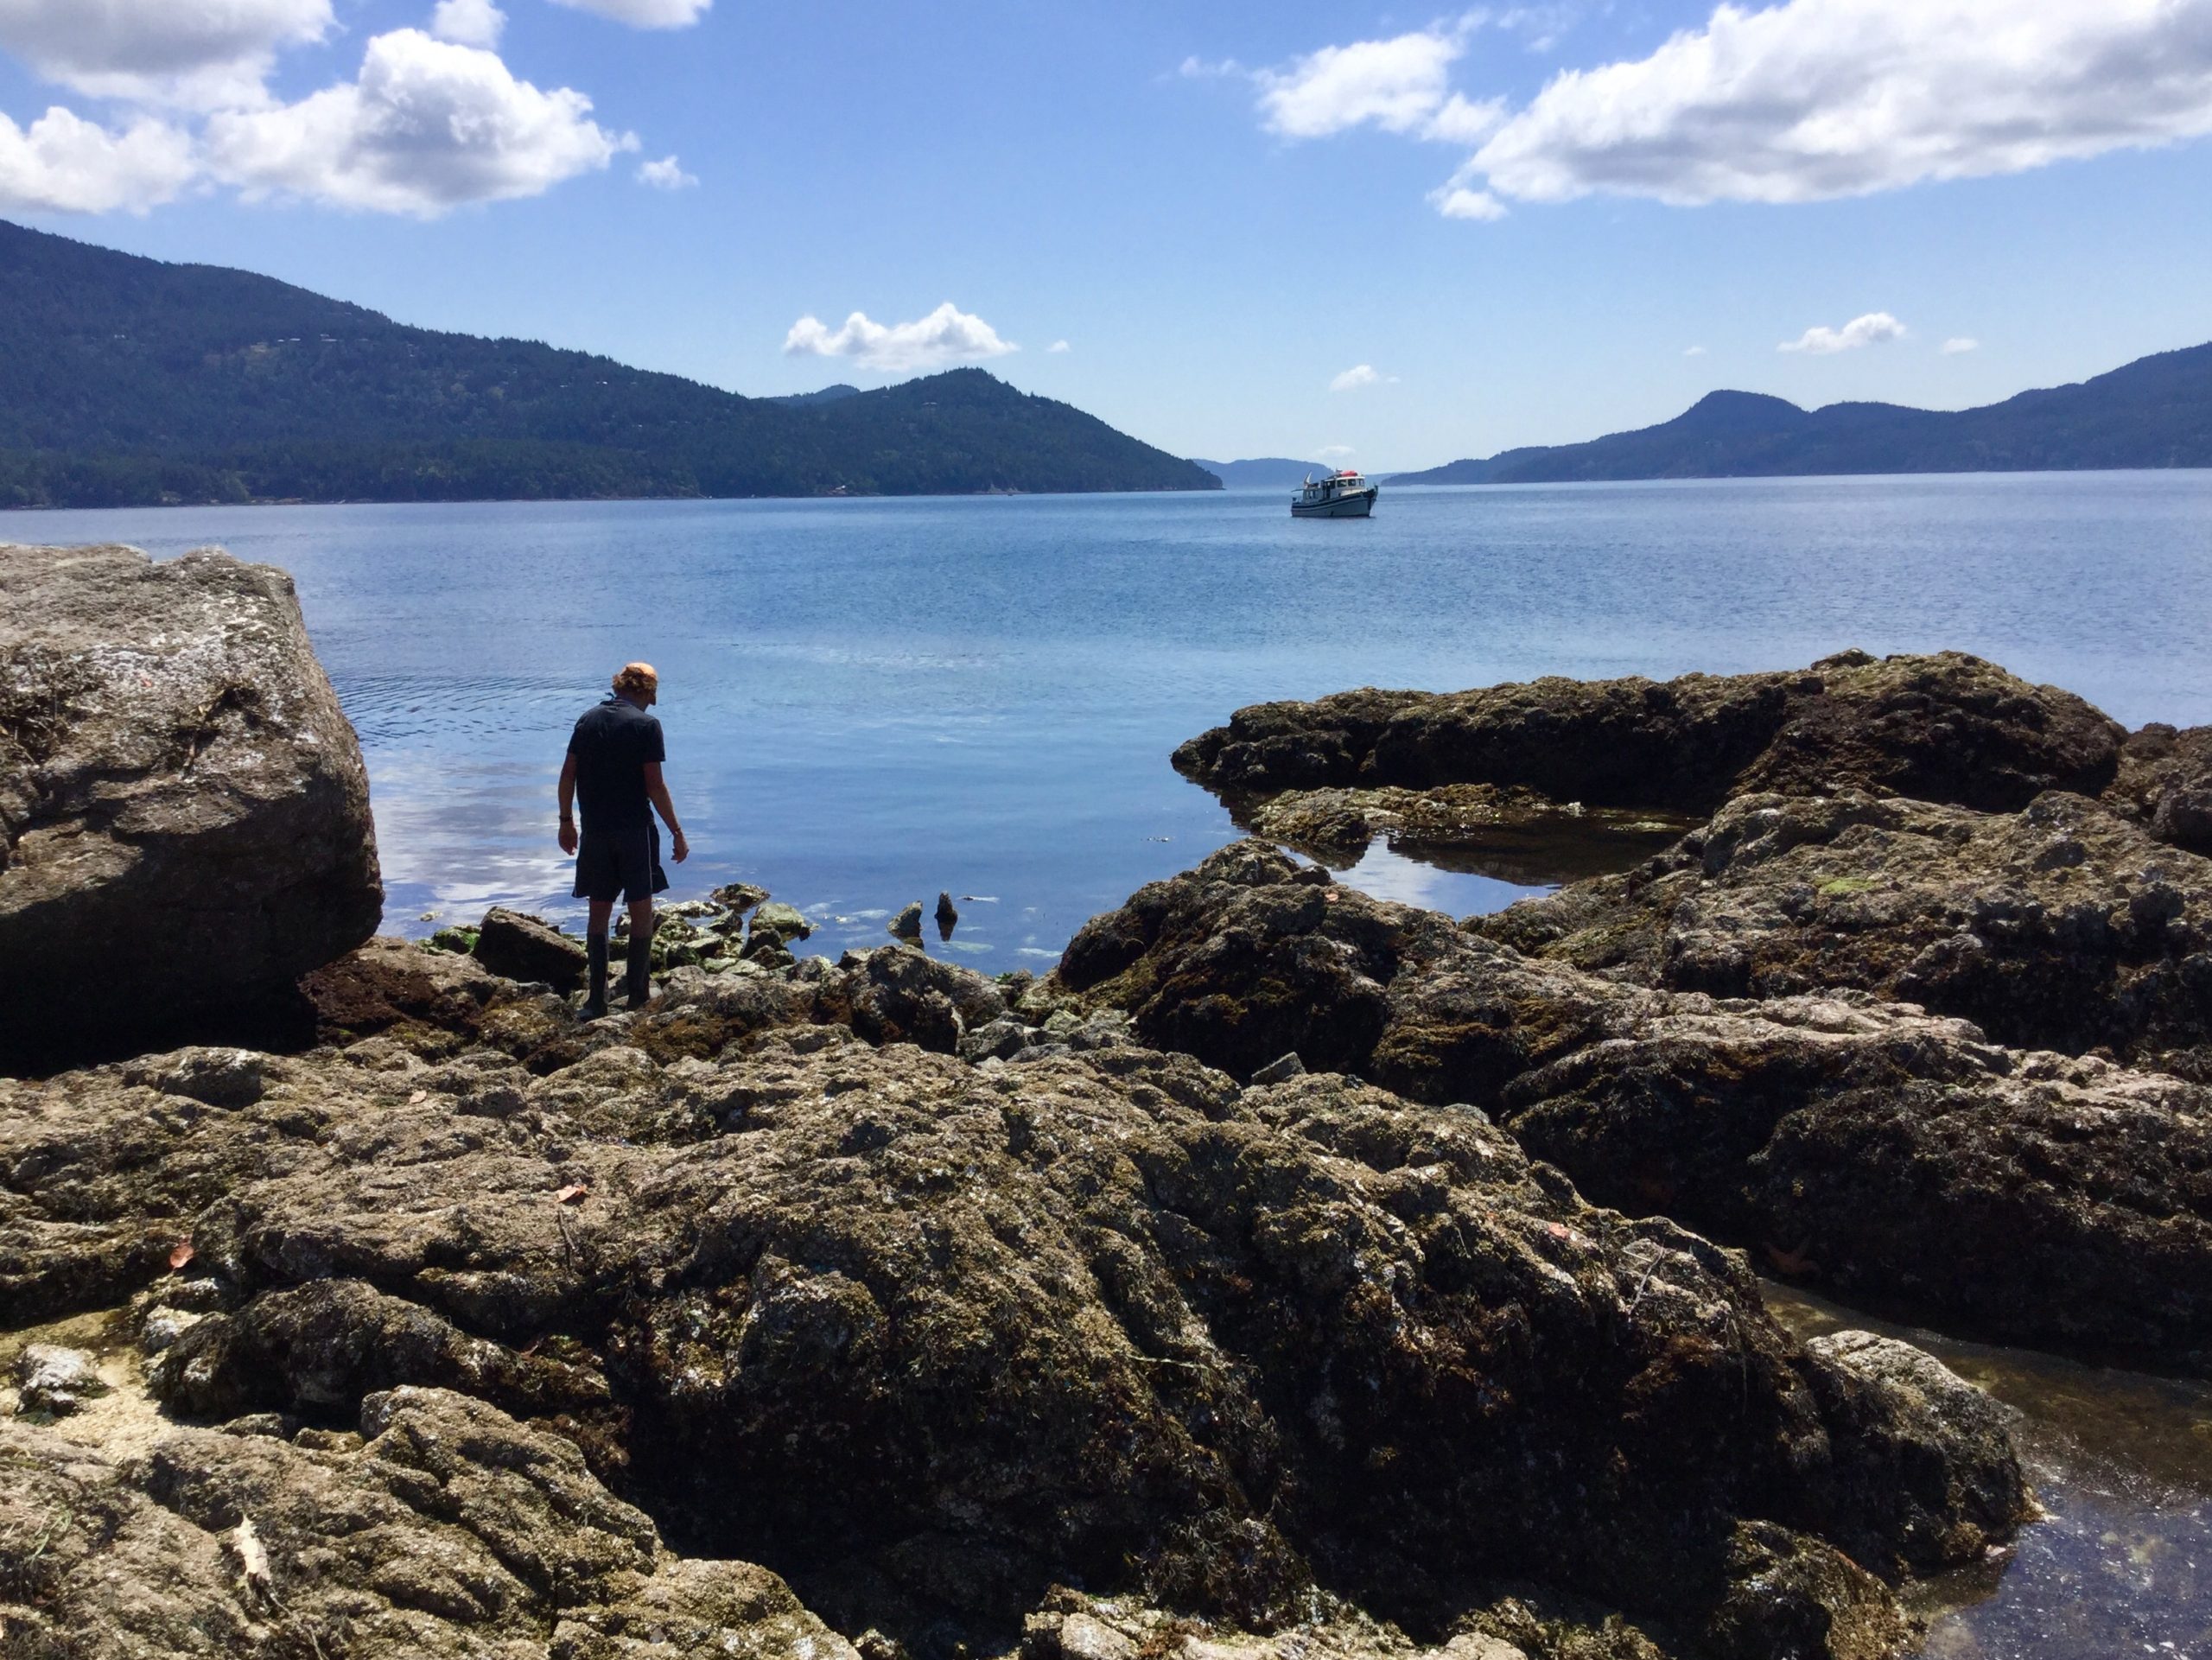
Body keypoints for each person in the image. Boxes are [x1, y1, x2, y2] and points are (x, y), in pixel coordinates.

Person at [557, 661, 689, 1015]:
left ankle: (596, 1001)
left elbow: (568, 774)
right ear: (646, 691)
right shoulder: (647, 726)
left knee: (598, 912)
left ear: (619, 686)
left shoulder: (588, 720)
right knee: (641, 911)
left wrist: (566, 822)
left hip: (596, 831)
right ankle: (637, 995)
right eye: (652, 695)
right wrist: (677, 831)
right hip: (634, 831)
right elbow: (655, 786)